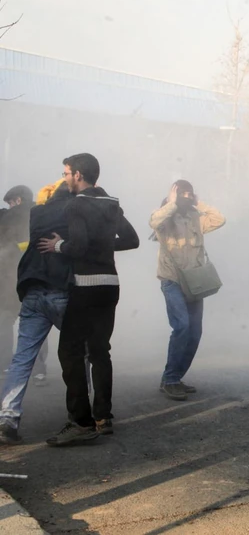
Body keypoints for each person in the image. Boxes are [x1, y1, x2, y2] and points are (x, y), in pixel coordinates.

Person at [38, 154, 139, 446]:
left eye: (66, 173)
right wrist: (103, 245)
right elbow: (132, 240)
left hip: (85, 287)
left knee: (69, 352)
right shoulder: (111, 203)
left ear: (78, 175)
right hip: (110, 286)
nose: (65, 178)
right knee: (100, 351)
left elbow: (79, 246)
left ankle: (81, 423)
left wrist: (58, 245)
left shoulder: (76, 204)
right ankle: (103, 417)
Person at [0, 180, 73, 444]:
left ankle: (7, 418)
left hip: (27, 286)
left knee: (22, 353)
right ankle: (82, 415)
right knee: (79, 352)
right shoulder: (70, 213)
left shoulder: (30, 215)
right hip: (58, 287)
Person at [149, 180, 225, 401]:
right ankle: (171, 380)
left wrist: (198, 203)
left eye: (189, 193)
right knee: (182, 326)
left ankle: (173, 377)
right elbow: (154, 221)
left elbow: (219, 219)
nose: (186, 197)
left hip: (194, 282)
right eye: (181, 193)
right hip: (172, 280)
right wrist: (172, 203)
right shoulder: (164, 215)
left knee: (194, 332)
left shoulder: (195, 217)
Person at [0, 186, 34, 370]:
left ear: (18, 200)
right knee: (36, 321)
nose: (10, 207)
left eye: (11, 203)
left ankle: (4, 363)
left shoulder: (10, 218)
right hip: (33, 280)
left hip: (10, 280)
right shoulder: (41, 215)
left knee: (5, 320)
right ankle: (38, 369)